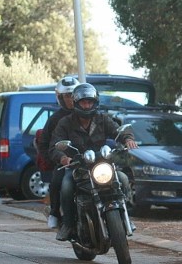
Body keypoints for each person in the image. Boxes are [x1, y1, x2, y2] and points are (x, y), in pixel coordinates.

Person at [50, 83, 138, 241]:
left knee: (123, 180)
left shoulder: (102, 119)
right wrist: (64, 158)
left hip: (101, 165)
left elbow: (118, 130)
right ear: (77, 103)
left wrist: (128, 139)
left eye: (89, 102)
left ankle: (126, 217)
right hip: (78, 166)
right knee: (66, 186)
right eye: (83, 102)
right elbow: (54, 146)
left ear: (95, 102)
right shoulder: (65, 122)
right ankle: (68, 225)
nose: (87, 105)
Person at [38, 76, 80, 229]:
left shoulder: (89, 113)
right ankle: (55, 213)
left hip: (88, 159)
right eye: (67, 96)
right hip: (65, 162)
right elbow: (44, 143)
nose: (70, 99)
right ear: (60, 97)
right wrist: (55, 159)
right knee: (57, 182)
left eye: (73, 95)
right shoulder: (55, 119)